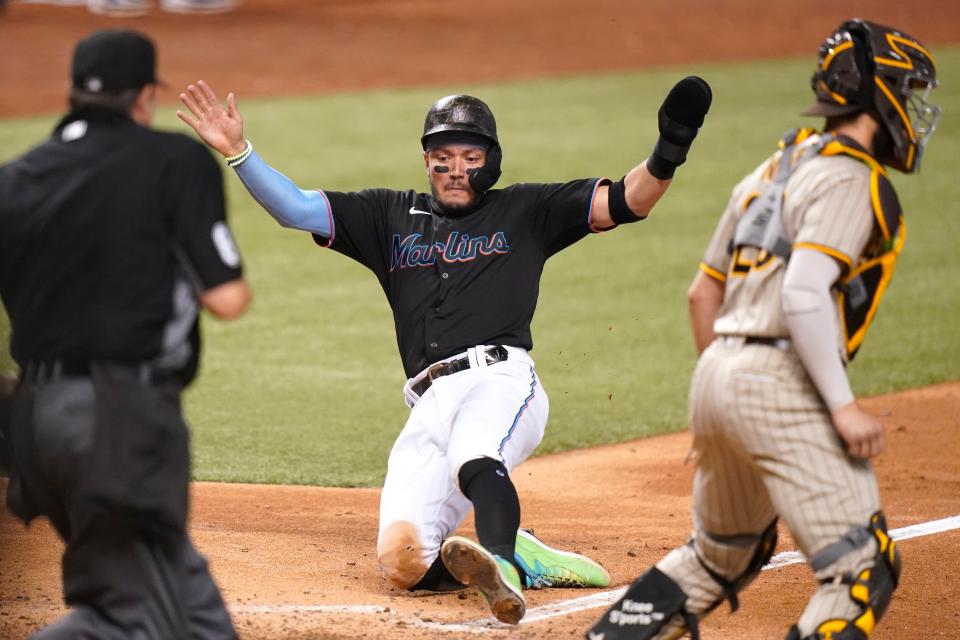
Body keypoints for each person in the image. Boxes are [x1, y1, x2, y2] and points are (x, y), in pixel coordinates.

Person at [177, 75, 711, 624]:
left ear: (492, 161)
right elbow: (295, 209)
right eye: (442, 155)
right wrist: (239, 153)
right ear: (427, 160)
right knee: (402, 560)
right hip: (428, 403)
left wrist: (670, 149)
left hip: (498, 381)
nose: (456, 167)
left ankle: (501, 564)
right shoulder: (388, 217)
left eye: (470, 155)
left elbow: (628, 199)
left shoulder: (527, 210)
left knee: (474, 457)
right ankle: (523, 558)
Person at [586, 18, 940, 640]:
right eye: (905, 92)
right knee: (863, 566)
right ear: (877, 93)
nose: (910, 109)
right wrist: (842, 405)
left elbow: (703, 293)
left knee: (720, 551)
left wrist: (723, 400)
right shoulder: (852, 176)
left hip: (717, 373)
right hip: (780, 379)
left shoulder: (770, 171)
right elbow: (804, 292)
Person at [0, 29, 250, 639]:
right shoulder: (173, 160)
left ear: (72, 96)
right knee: (129, 617)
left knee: (192, 619)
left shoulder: (15, 178)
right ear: (143, 97)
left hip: (34, 421)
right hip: (120, 423)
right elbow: (227, 298)